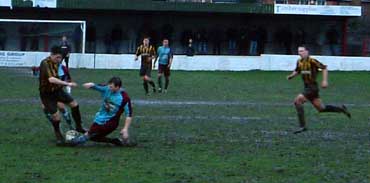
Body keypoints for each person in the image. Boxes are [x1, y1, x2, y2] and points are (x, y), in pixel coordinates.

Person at [286, 45, 351, 134]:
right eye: (299, 51)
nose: (300, 53)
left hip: (312, 87)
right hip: (307, 87)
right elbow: (297, 70)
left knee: (298, 101)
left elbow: (324, 68)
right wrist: (291, 76)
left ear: (307, 52)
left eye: (302, 51)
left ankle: (302, 126)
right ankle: (341, 109)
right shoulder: (299, 62)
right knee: (321, 108)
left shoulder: (312, 61)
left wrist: (324, 81)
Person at [39, 46, 85, 145]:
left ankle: (79, 126)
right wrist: (67, 84)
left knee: (74, 104)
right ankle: (58, 135)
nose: (59, 60)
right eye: (57, 57)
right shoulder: (45, 63)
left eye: (60, 58)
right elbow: (51, 79)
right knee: (56, 117)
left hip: (57, 90)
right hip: (47, 94)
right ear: (51, 55)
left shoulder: (58, 63)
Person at [70, 77, 134, 146]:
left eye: (111, 87)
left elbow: (129, 115)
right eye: (109, 86)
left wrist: (125, 129)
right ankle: (115, 141)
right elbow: (97, 87)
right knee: (95, 137)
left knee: (90, 134)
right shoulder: (107, 89)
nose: (109, 88)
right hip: (99, 118)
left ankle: (73, 142)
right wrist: (91, 85)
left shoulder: (124, 98)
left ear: (118, 87)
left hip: (111, 122)